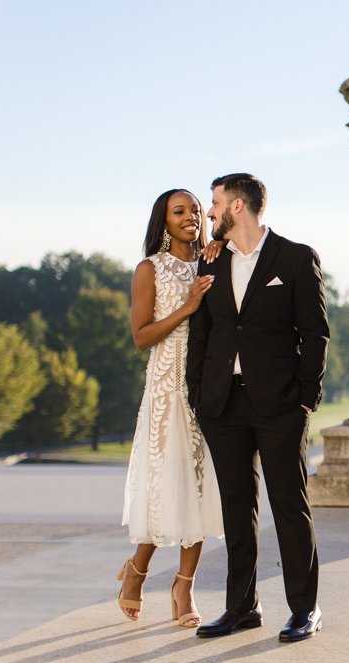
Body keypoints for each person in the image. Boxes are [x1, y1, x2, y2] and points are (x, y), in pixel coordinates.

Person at [187, 173, 330, 642]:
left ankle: (304, 609)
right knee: (236, 508)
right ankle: (241, 607)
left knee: (290, 505)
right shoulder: (208, 264)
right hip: (223, 405)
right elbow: (202, 337)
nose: (209, 212)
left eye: (214, 203)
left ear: (239, 206)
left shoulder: (294, 258)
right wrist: (198, 395)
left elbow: (315, 333)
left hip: (280, 406)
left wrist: (305, 399)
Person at [118, 189, 225, 627]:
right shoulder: (150, 269)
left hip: (207, 386)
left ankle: (184, 585)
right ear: (163, 221)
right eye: (179, 211)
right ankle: (136, 572)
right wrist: (188, 307)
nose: (191, 217)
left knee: (199, 487)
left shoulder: (213, 260)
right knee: (164, 486)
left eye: (196, 210)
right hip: (166, 386)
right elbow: (141, 336)